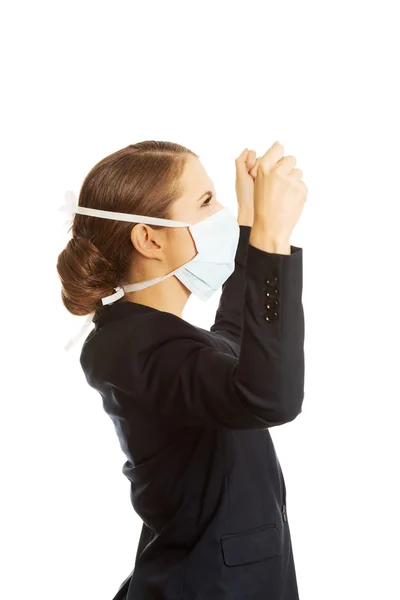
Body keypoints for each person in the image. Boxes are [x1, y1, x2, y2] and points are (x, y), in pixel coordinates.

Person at [56, 139, 307, 599]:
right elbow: (270, 397)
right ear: (149, 238)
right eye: (207, 202)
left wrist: (253, 227)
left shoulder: (152, 337)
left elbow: (234, 342)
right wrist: (271, 241)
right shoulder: (137, 347)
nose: (222, 215)